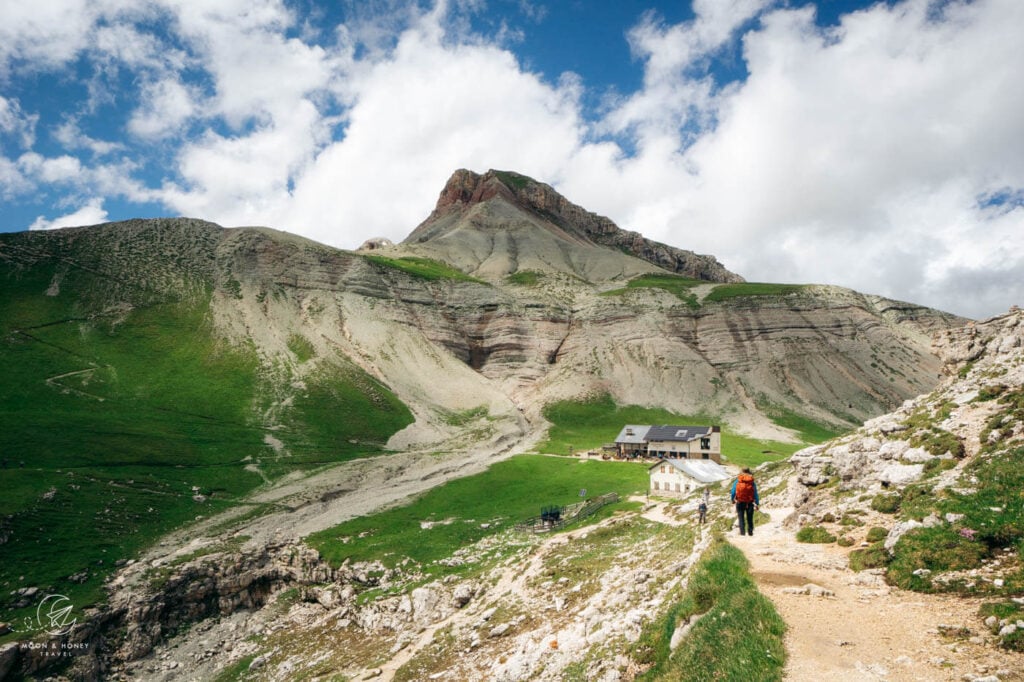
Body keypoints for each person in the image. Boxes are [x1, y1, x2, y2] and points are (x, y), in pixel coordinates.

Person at [730, 467, 760, 536]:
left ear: (741, 471)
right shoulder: (751, 481)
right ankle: (750, 532)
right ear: (749, 472)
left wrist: (732, 500)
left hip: (740, 501)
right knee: (750, 518)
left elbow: (733, 491)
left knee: (741, 518)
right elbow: (755, 492)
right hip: (750, 502)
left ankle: (742, 533)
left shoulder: (738, 480)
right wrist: (757, 503)